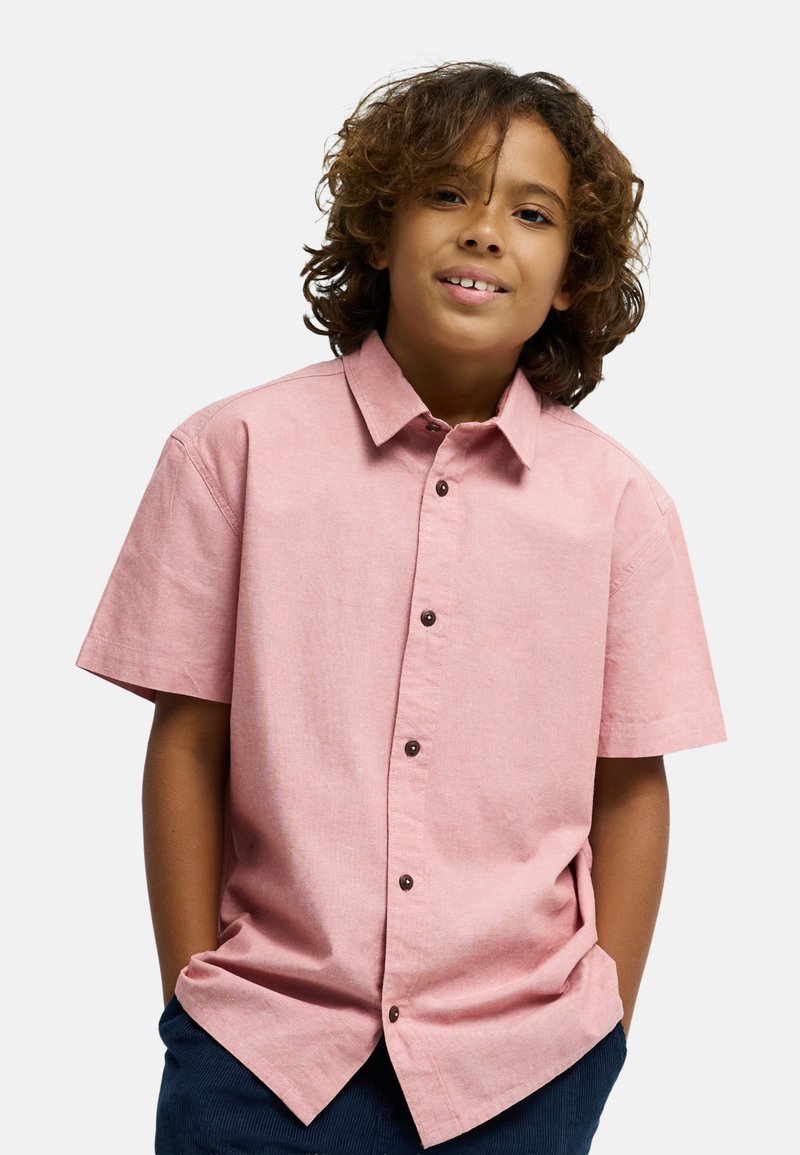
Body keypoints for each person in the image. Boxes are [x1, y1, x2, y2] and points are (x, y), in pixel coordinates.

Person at [75, 61, 727, 1154]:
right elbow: (187, 744)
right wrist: (192, 1004)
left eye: (531, 213)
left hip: (522, 1070)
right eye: (446, 193)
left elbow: (629, 786)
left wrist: (604, 1028)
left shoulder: (621, 509)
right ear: (379, 231)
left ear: (572, 275)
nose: (484, 232)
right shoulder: (230, 454)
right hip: (261, 1057)